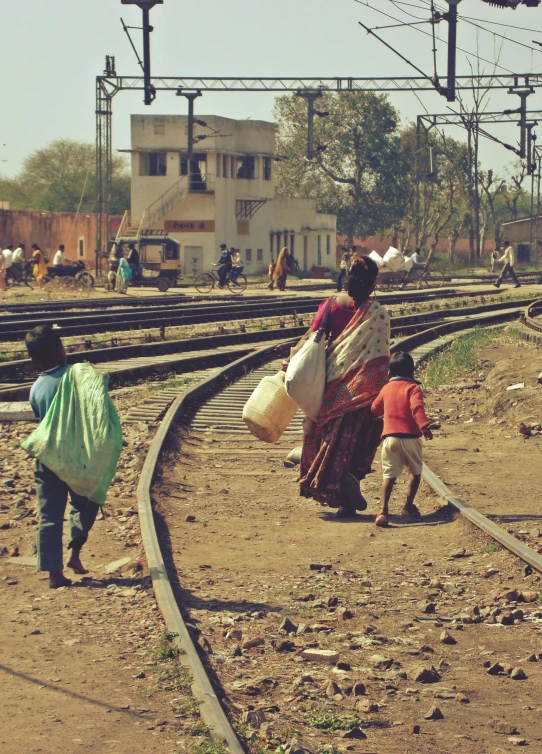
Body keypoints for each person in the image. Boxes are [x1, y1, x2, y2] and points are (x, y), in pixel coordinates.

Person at [291, 257, 390, 517]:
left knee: (331, 441)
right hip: (363, 391)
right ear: (371, 285)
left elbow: (311, 338)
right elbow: (380, 358)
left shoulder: (330, 305)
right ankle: (351, 482)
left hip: (331, 387)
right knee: (360, 440)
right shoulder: (377, 312)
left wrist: (287, 364)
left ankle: (339, 492)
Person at [25, 326, 101, 589]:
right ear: (61, 348)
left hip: (47, 459)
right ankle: (75, 553)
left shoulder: (36, 388)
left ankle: (54, 574)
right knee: (87, 503)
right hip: (78, 457)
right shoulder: (78, 378)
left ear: (33, 359)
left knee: (49, 516)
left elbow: (41, 422)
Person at [371, 351, 433, 528]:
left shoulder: (386, 389)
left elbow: (374, 409)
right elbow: (417, 408)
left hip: (390, 439)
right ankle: (408, 506)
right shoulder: (413, 388)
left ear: (389, 373)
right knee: (415, 472)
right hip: (411, 438)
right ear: (412, 372)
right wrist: (424, 426)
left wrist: (382, 415)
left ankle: (383, 510)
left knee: (388, 476)